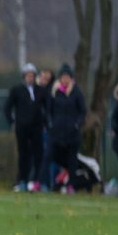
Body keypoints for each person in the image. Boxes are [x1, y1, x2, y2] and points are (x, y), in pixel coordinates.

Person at [47, 64, 86, 193]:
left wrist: (77, 124)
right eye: (63, 76)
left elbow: (82, 111)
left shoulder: (76, 91)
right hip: (57, 133)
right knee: (52, 155)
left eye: (67, 76)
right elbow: (49, 110)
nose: (65, 79)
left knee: (72, 159)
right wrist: (51, 124)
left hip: (72, 134)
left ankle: (71, 185)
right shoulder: (54, 92)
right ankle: (49, 182)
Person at [5, 64, 42, 192]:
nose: (30, 78)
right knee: (23, 155)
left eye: (32, 75)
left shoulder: (40, 90)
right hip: (22, 127)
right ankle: (22, 180)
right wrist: (12, 121)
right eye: (28, 75)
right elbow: (7, 107)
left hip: (37, 128)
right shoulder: (17, 90)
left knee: (38, 155)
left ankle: (37, 181)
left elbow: (47, 107)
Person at [34, 68, 56, 191]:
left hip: (51, 130)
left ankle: (50, 183)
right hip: (39, 129)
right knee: (40, 157)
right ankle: (40, 182)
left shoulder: (53, 91)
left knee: (50, 158)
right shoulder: (36, 91)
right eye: (43, 76)